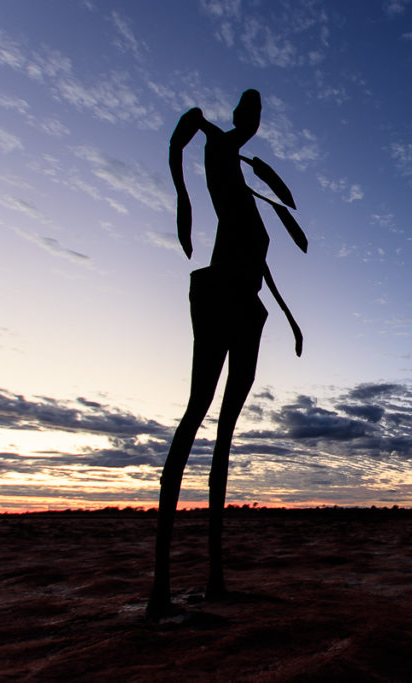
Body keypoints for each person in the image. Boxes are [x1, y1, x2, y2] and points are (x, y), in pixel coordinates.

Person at [147, 89, 305, 621]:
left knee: (226, 433)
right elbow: (187, 140)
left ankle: (214, 578)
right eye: (246, 113)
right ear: (236, 117)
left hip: (249, 312)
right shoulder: (222, 161)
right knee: (197, 412)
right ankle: (161, 588)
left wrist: (282, 311)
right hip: (219, 300)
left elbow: (262, 266)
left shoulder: (244, 184)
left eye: (258, 114)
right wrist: (182, 195)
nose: (251, 120)